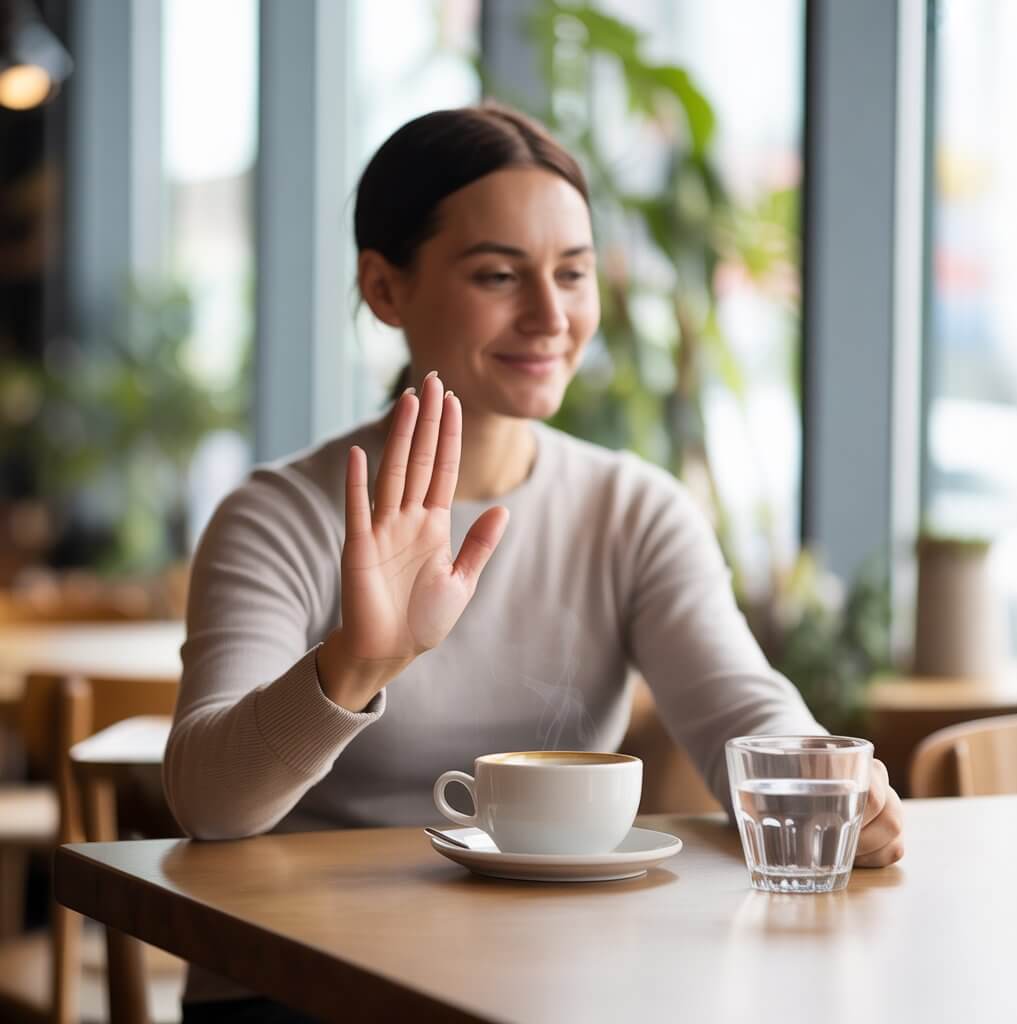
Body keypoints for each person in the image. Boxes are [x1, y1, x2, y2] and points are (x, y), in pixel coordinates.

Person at [166, 103, 904, 1021]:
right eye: (498, 275)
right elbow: (209, 806)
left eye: (574, 273)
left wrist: (829, 791)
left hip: (553, 979)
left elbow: (741, 711)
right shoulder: (279, 516)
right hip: (296, 988)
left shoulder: (632, 510)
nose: (551, 316)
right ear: (385, 289)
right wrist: (355, 663)